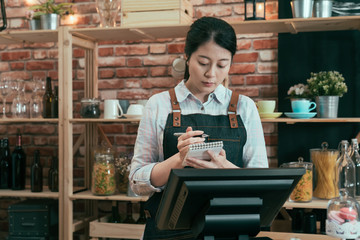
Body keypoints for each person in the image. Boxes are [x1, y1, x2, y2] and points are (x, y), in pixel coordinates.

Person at [129, 16, 268, 239]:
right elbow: (137, 181)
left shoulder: (245, 108)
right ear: (187, 57)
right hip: (168, 232)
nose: (212, 74)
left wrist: (225, 169)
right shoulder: (159, 105)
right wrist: (178, 160)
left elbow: (262, 185)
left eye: (222, 65)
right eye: (203, 62)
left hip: (230, 230)